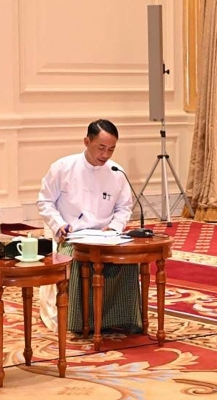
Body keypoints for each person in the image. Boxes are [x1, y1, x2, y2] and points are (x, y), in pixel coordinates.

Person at [37, 119, 143, 335]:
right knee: (79, 261)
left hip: (106, 237)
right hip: (73, 237)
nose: (105, 155)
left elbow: (124, 207)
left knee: (128, 261)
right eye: (101, 148)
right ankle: (80, 321)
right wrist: (59, 225)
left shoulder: (116, 171)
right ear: (87, 141)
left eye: (111, 149)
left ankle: (122, 318)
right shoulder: (63, 167)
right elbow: (45, 202)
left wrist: (114, 229)